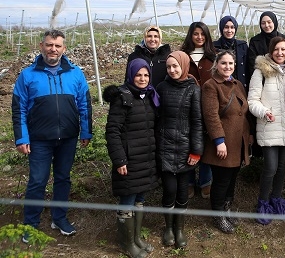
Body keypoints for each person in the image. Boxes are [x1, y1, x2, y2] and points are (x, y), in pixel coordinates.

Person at [12, 29, 92, 241]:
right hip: (39, 139)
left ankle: (59, 217)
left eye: (57, 46)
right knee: (37, 181)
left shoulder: (75, 73)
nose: (53, 49)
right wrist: (22, 137)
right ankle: (30, 223)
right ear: (41, 47)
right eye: (49, 45)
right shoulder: (28, 75)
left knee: (63, 178)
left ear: (64, 49)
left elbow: (84, 104)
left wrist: (86, 130)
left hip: (67, 137)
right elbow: (18, 107)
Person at [104, 59, 160, 258]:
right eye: (138, 75)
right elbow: (112, 131)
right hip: (129, 159)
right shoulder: (122, 98)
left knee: (140, 198)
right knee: (127, 199)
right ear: (130, 75)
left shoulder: (150, 96)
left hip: (145, 158)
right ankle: (127, 243)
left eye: (146, 75)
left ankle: (136, 238)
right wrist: (119, 160)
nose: (142, 79)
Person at [156, 51, 204, 248]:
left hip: (185, 149)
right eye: (168, 67)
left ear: (184, 66)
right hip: (165, 147)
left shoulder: (193, 89)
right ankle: (168, 227)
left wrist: (196, 150)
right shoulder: (161, 88)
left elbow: (197, 121)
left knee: (183, 191)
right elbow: (156, 117)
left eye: (175, 66)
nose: (172, 70)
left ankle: (179, 228)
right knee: (169, 189)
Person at [248, 36, 285, 224]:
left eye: (283, 49)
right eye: (276, 49)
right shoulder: (261, 72)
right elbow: (252, 100)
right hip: (269, 126)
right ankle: (263, 203)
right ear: (270, 51)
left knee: (282, 167)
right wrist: (264, 112)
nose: (280, 53)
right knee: (270, 167)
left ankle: (276, 199)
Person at [202, 51, 252, 234]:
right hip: (224, 143)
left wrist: (249, 136)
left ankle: (227, 209)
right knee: (222, 180)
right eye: (224, 63)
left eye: (231, 63)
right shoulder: (211, 86)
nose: (228, 66)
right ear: (216, 65)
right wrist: (219, 140)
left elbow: (244, 112)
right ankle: (218, 215)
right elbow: (211, 115)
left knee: (232, 177)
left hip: (238, 142)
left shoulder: (237, 84)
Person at [246, 11, 285, 159]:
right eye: (263, 23)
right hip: (264, 83)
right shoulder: (255, 41)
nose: (266, 25)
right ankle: (259, 158)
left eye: (269, 22)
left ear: (275, 22)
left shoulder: (283, 38)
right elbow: (252, 63)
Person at [181, 21, 216, 200]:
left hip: (208, 106)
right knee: (188, 143)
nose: (199, 37)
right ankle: (188, 181)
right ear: (191, 35)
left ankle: (205, 181)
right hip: (187, 106)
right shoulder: (183, 55)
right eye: (196, 34)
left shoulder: (213, 56)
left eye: (202, 34)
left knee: (207, 143)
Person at [214, 15, 249, 89]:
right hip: (221, 87)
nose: (229, 31)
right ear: (221, 28)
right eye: (226, 27)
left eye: (232, 27)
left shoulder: (242, 46)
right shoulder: (214, 46)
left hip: (240, 86)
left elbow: (247, 67)